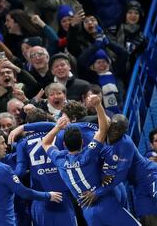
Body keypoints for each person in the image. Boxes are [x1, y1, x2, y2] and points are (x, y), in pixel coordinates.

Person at [41, 95, 141, 226]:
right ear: (83, 142)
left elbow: (46, 142)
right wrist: (98, 105)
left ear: (64, 144)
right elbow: (103, 129)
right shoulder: (89, 154)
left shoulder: (58, 159)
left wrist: (58, 127)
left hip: (88, 211)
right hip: (107, 199)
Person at [0, 129, 62, 226]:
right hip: (2, 221)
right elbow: (24, 192)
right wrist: (48, 195)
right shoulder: (2, 168)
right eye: (2, 143)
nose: (6, 146)